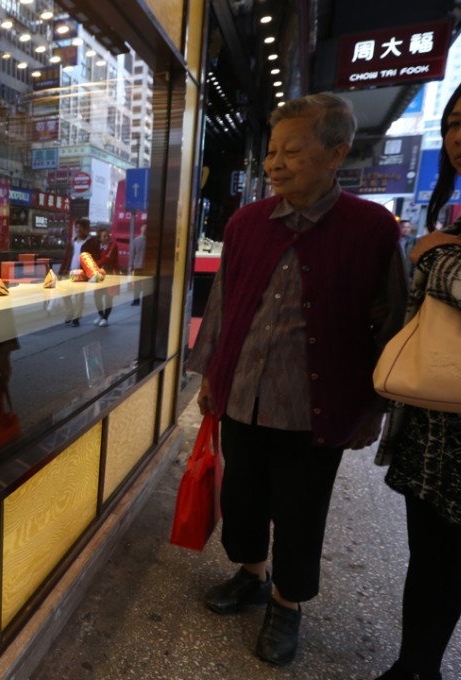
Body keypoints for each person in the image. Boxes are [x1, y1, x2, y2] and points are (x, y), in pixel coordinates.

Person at [187, 93, 407, 667]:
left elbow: (393, 322)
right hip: (242, 393)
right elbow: (223, 307)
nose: (275, 164)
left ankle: (288, 603)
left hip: (317, 406)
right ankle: (251, 574)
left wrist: (373, 408)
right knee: (243, 495)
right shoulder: (245, 223)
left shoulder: (372, 227)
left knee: (301, 509)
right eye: (272, 152)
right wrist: (209, 374)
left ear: (336, 153)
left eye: (292, 151)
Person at [375, 78, 461, 680]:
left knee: (442, 561)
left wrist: (435, 255)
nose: (460, 136)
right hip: (438, 425)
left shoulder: (441, 243)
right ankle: (415, 668)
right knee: (432, 562)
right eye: (453, 123)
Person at [58, 217, 100, 326]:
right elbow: (66, 257)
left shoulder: (92, 242)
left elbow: (95, 258)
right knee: (65, 294)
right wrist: (61, 271)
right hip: (70, 271)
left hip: (82, 273)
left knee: (79, 296)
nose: (78, 230)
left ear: (86, 229)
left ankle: (76, 318)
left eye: (81, 228)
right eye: (77, 227)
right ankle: (70, 312)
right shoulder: (72, 241)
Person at [93, 228, 120, 327]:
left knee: (109, 297)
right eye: (104, 236)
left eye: (107, 235)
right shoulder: (97, 247)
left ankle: (105, 318)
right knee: (97, 296)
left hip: (111, 274)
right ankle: (101, 315)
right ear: (99, 238)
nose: (107, 237)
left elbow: (107, 258)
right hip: (100, 274)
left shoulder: (113, 245)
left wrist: (94, 264)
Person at [129, 225, 147, 305]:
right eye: (143, 227)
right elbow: (132, 254)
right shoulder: (136, 240)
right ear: (141, 229)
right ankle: (136, 300)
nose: (145, 229)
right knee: (137, 285)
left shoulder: (150, 240)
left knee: (146, 285)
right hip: (138, 266)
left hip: (147, 267)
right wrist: (131, 265)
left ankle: (143, 300)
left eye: (146, 228)